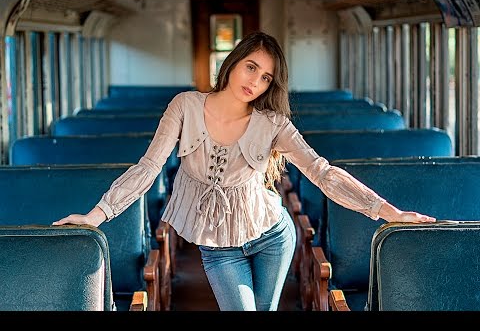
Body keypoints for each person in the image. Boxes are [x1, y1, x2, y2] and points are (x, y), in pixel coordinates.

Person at [53, 31, 436, 311]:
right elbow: (148, 167)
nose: (254, 81)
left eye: (266, 77)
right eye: (251, 67)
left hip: (273, 234)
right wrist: (95, 216)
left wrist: (390, 213)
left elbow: (322, 173)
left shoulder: (273, 123)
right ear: (233, 61)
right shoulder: (185, 106)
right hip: (219, 246)